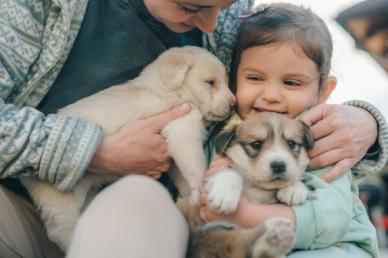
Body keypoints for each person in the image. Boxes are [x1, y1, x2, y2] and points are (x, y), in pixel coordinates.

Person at [0, 1, 386, 258]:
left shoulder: (232, 24)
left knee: (137, 199)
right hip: (27, 199)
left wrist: (367, 120)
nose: (214, 23)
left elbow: (292, 67)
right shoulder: (40, 8)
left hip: (151, 217)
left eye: (228, 4)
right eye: (193, 6)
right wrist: (94, 152)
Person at [199, 3, 385, 258]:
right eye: (255, 78)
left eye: (291, 82)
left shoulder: (323, 139)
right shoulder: (224, 135)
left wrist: (247, 216)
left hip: (337, 249)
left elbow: (333, 217)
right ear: (233, 79)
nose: (271, 96)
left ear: (323, 91)